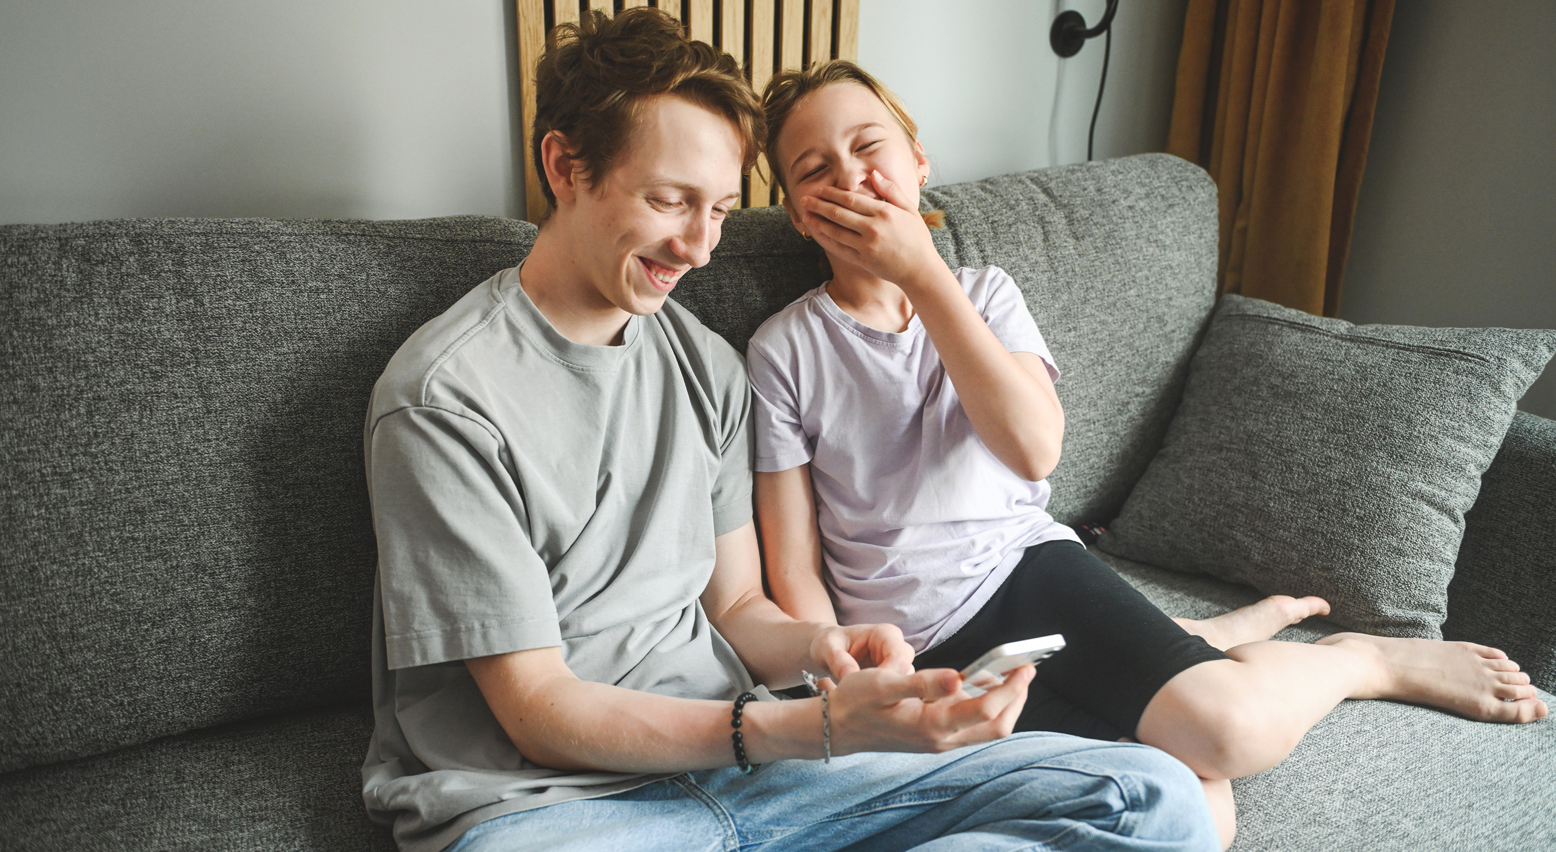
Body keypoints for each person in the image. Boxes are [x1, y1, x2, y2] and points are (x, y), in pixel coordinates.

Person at [359, 10, 1219, 852]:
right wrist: (800, 730)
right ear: (565, 165)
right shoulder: (444, 400)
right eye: (670, 201)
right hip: (552, 808)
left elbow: (736, 606)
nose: (698, 247)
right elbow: (538, 710)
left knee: (1156, 796)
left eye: (722, 211)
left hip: (760, 772)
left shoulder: (704, 366)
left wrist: (826, 647)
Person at [747, 60, 1551, 851]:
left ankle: (1357, 659)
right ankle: (1202, 640)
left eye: (869, 148)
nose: (850, 178)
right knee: (1200, 822)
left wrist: (923, 276)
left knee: (1229, 733)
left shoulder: (984, 294)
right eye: (816, 170)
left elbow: (1033, 450)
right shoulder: (784, 350)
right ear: (798, 215)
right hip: (916, 649)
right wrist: (847, 690)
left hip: (1028, 577)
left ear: (918, 163)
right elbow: (795, 571)